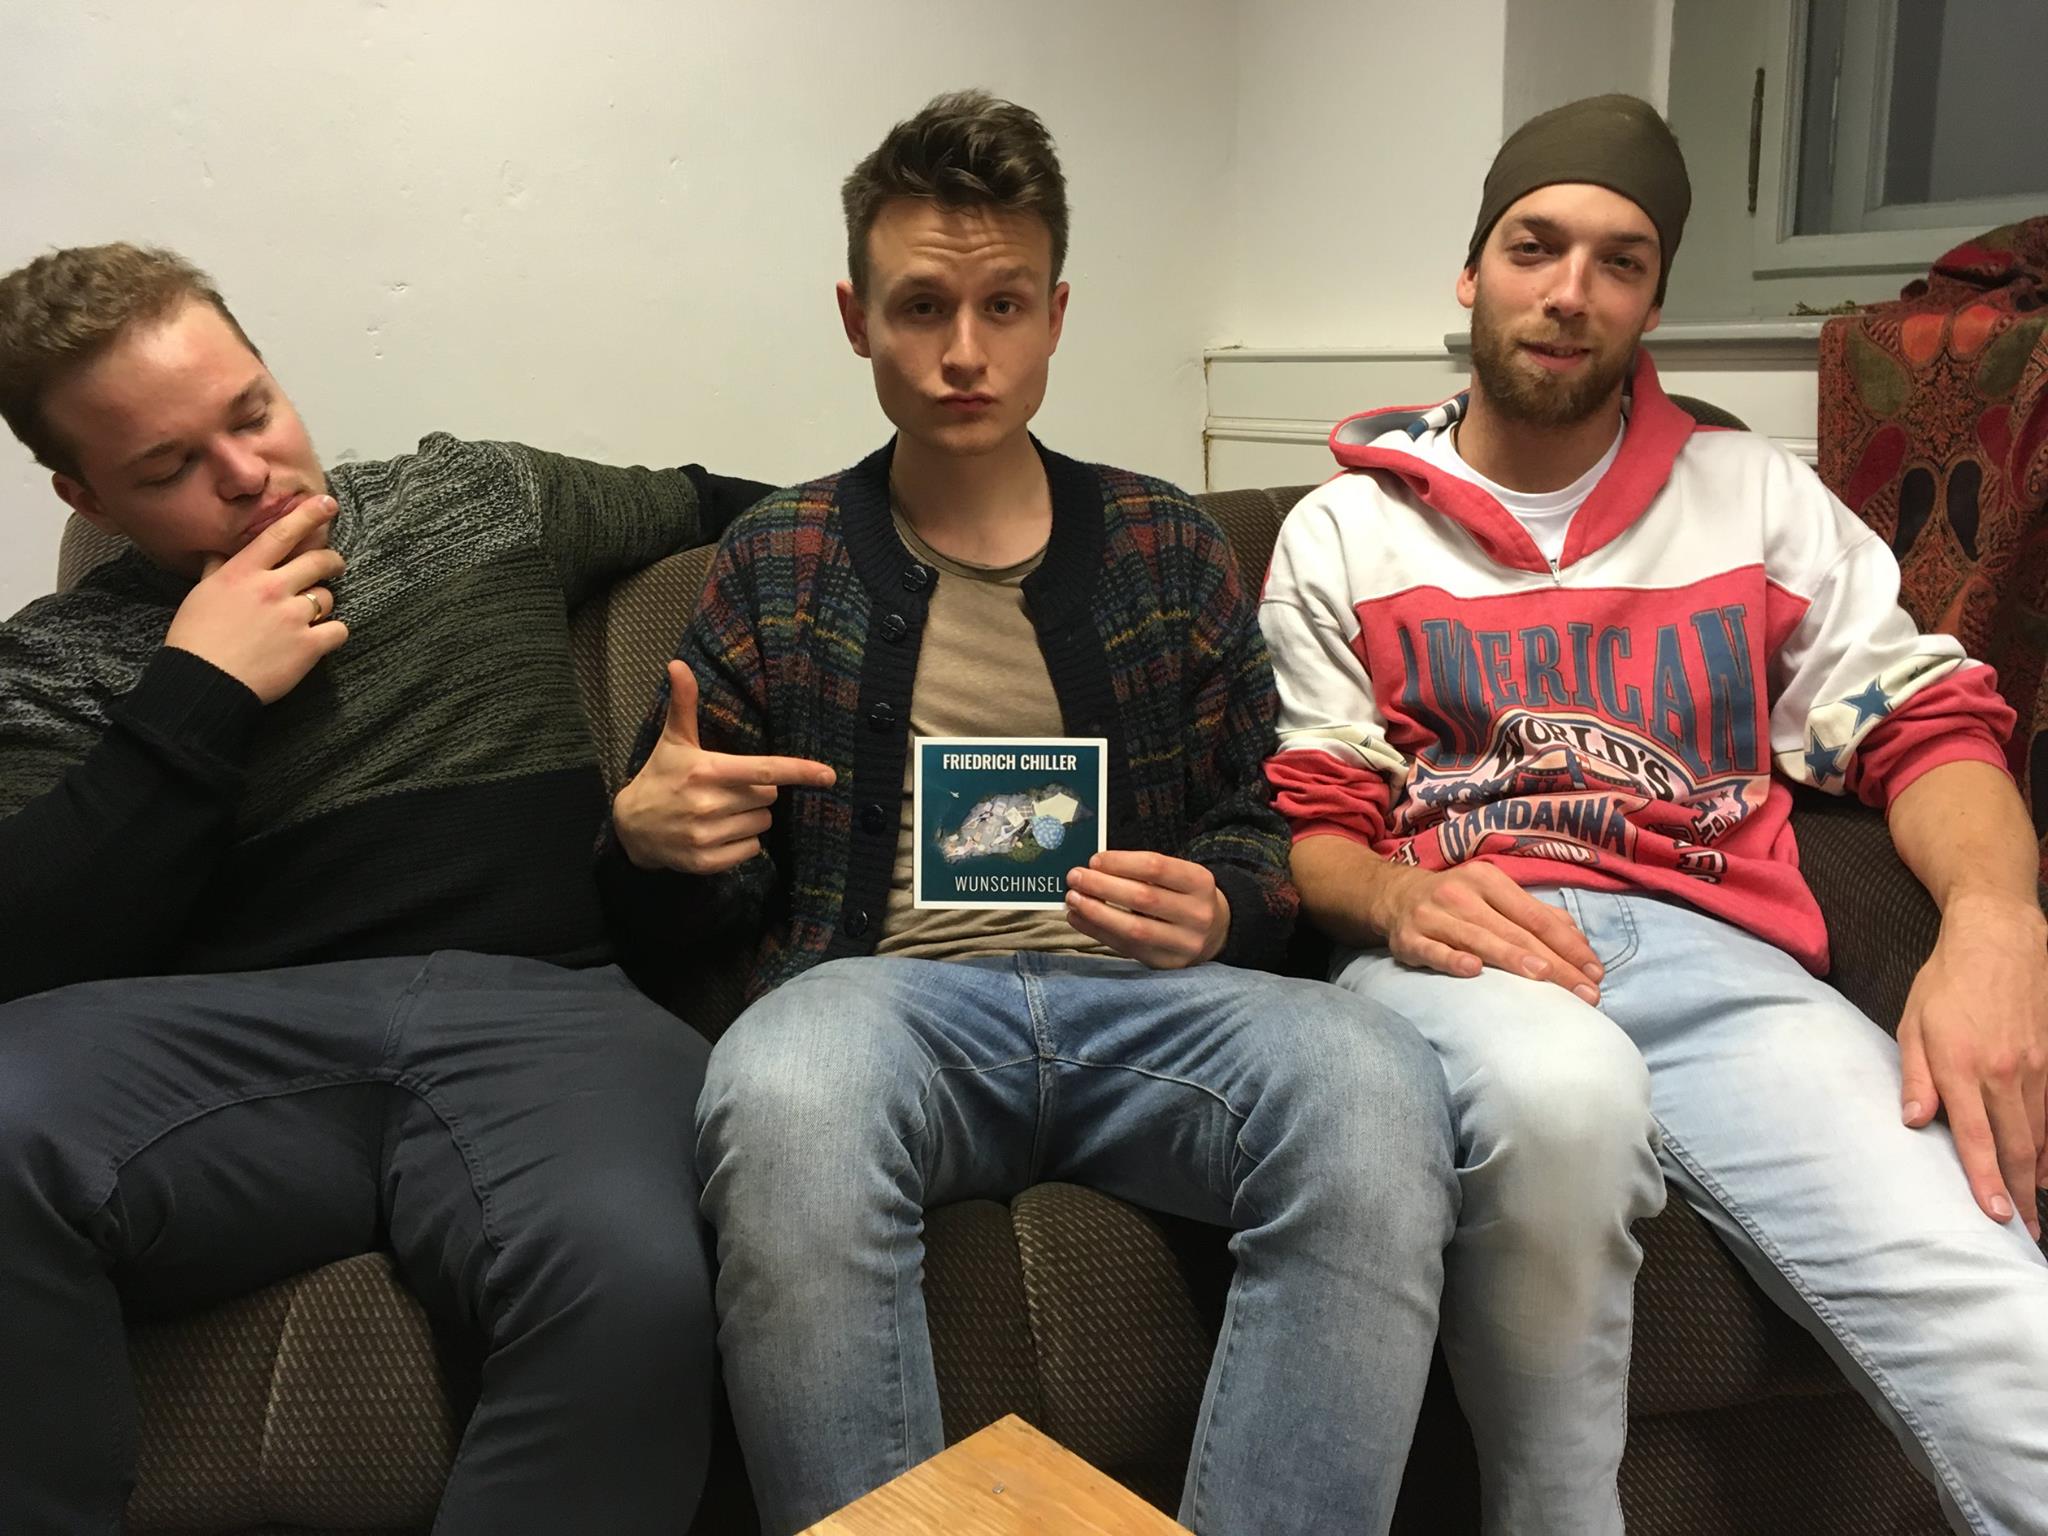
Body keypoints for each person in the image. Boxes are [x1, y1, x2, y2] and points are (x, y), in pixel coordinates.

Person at [603, 90, 1456, 1536]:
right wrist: (654, 845)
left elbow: (1260, 824)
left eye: (1003, 305)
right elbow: (680, 887)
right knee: (784, 1092)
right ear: (855, 319)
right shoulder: (777, 557)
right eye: (921, 307)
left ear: (1057, 314)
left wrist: (1222, 901)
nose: (963, 353)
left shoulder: (1168, 544)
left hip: (1149, 1016)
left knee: (1377, 1080)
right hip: (879, 1012)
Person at [1260, 93, 2048, 1536]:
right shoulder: (1344, 532)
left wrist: (1998, 921)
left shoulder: (1755, 499)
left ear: (1654, 298)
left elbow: (1926, 725)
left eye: (1618, 262)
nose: (1570, 292)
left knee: (2014, 1338)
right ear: (1471, 271)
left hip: (1723, 969)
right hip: (1466, 951)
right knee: (1563, 1101)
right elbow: (1316, 825)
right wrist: (1398, 897)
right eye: (1534, 247)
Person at [0, 242, 763, 1533]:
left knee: (634, 1278)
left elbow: (751, 510)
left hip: (546, 1012)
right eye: (171, 468)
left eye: (252, 413)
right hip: (222, 1059)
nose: (247, 476)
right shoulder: (53, 664)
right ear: (88, 496)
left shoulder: (476, 499)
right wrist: (198, 693)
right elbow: (27, 956)